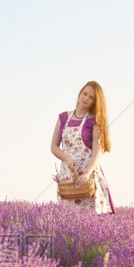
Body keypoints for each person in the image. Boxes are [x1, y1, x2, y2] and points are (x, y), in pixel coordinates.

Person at [51, 81, 115, 214]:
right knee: (67, 216)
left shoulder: (95, 121)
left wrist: (86, 173)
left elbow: (98, 152)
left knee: (91, 218)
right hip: (68, 175)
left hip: (88, 176)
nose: (86, 98)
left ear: (95, 102)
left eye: (91, 97)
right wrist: (67, 159)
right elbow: (54, 146)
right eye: (85, 94)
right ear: (80, 94)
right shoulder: (63, 118)